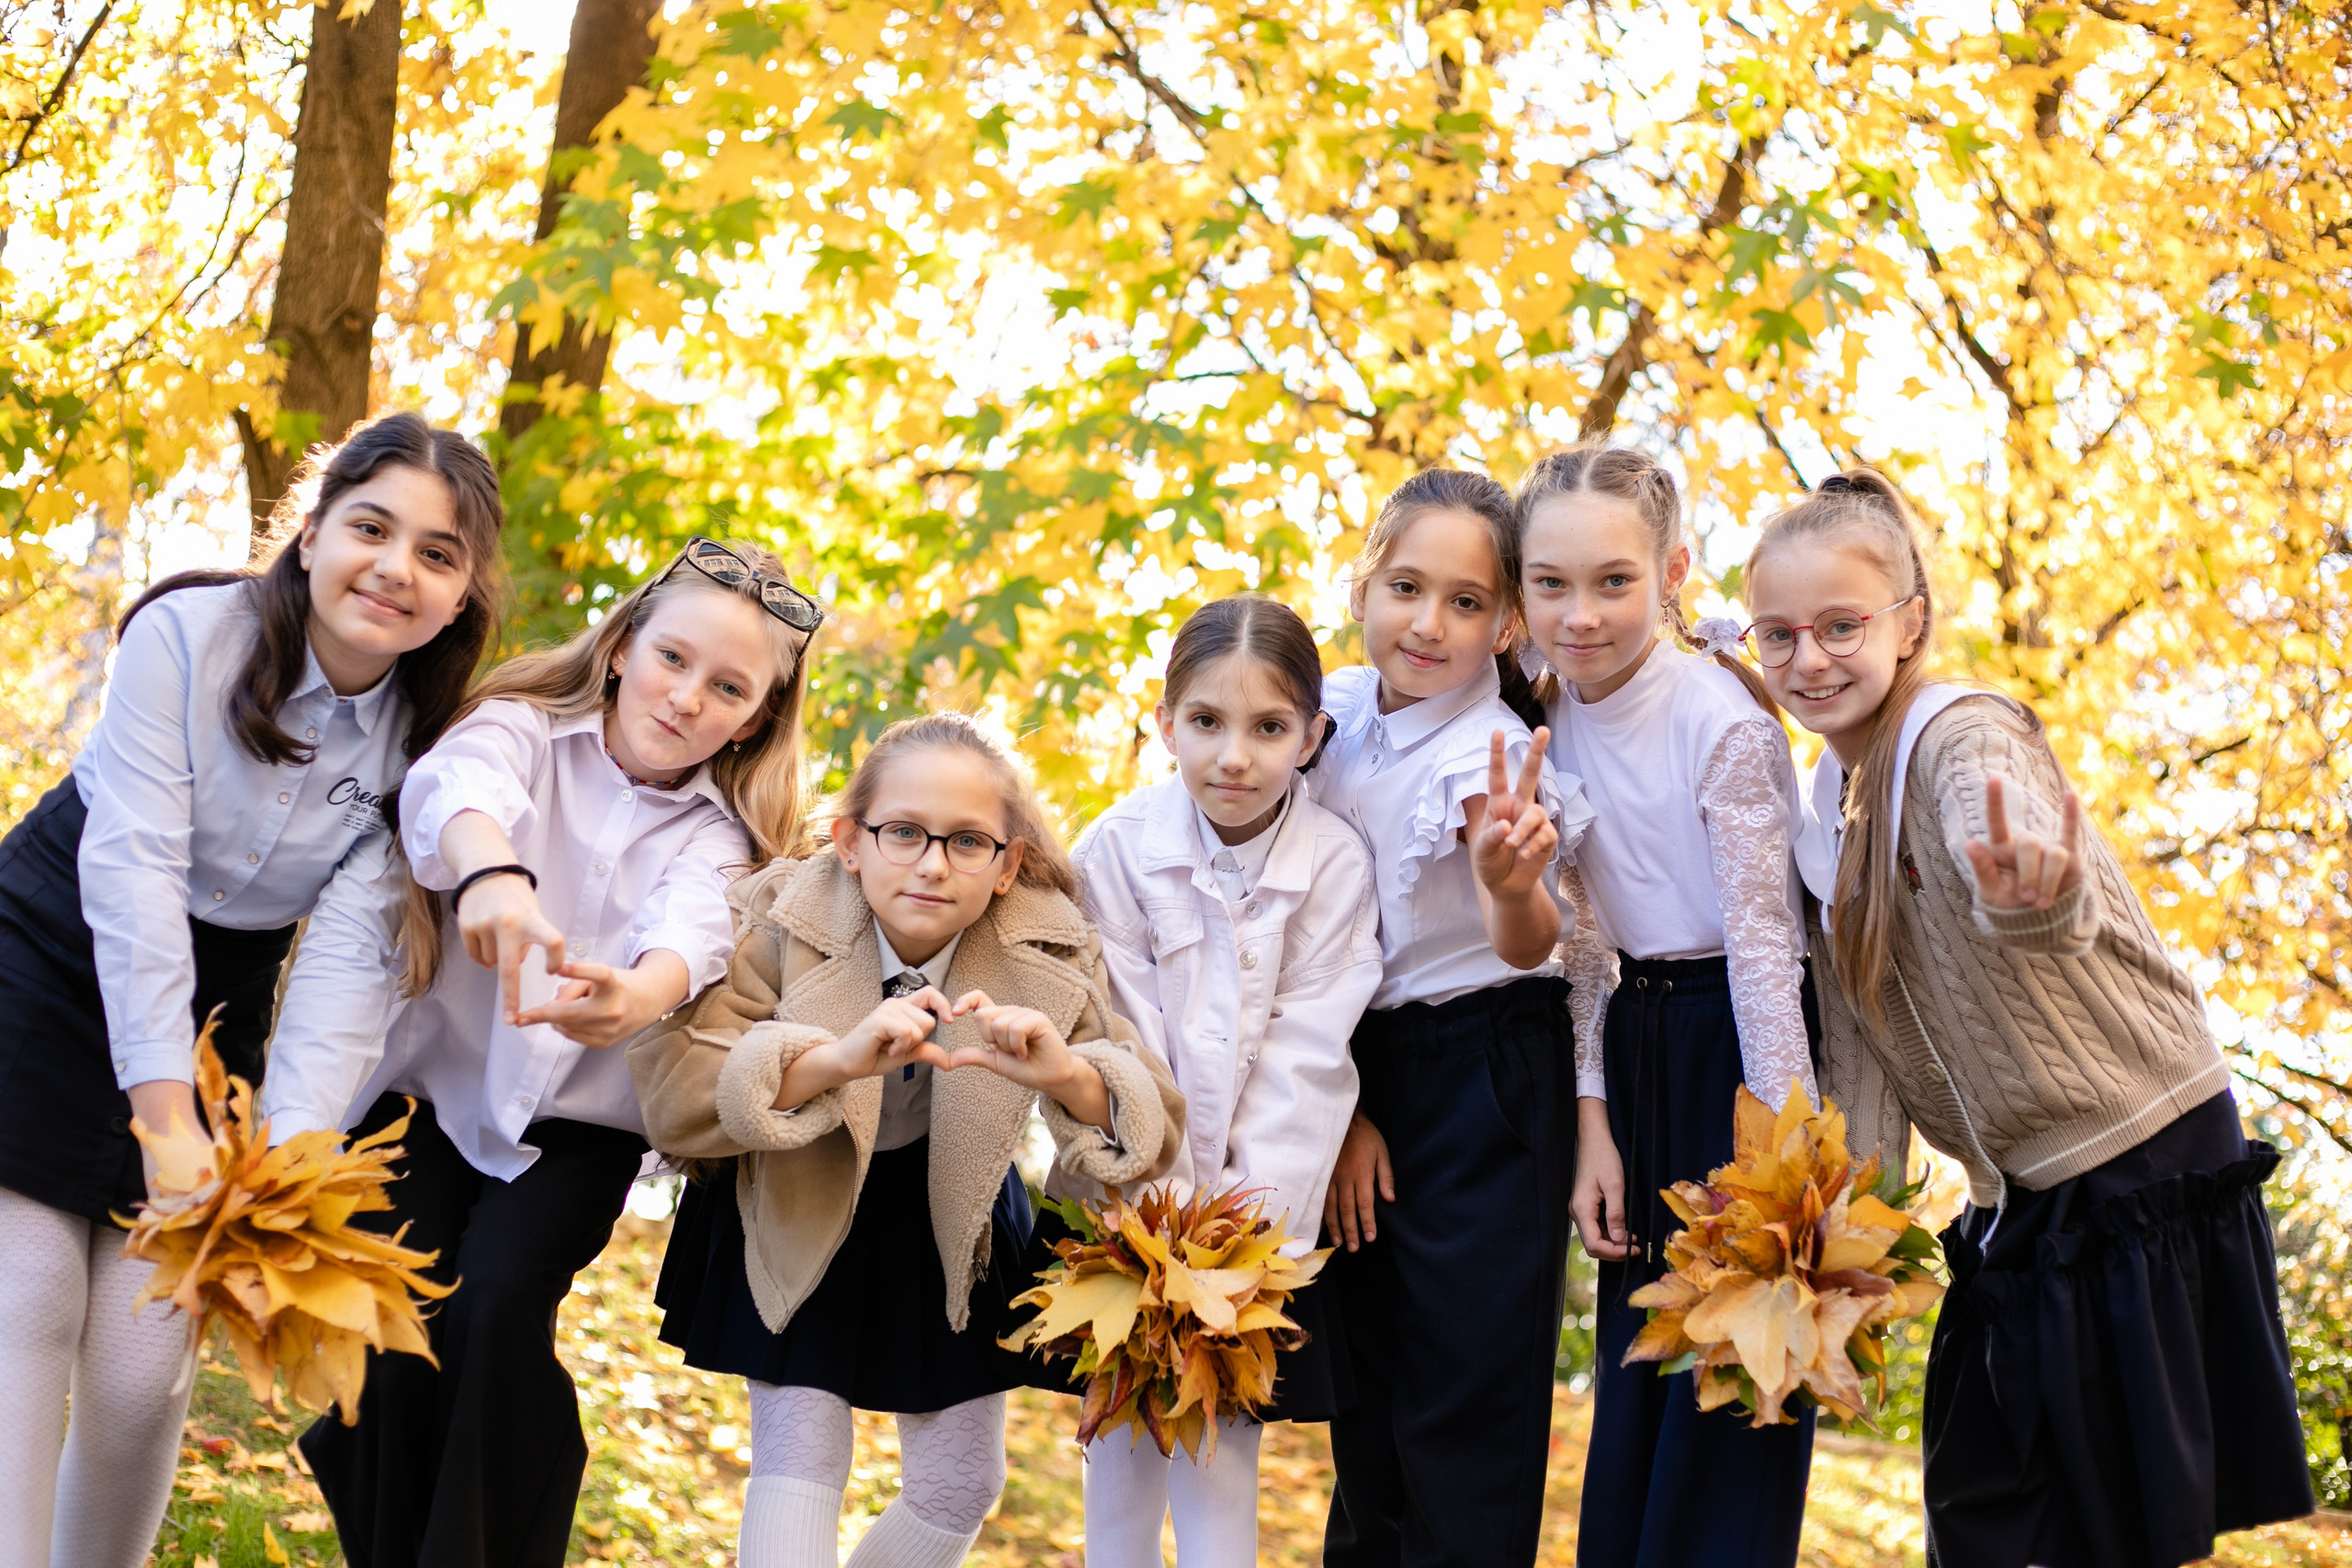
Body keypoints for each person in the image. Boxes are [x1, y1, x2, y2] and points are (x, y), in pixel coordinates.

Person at [1748, 468, 2312, 1568]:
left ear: (1908, 622)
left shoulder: (1964, 736)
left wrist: (2029, 896)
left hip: (2134, 1153)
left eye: (1839, 626)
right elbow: (1863, 1060)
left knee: (2109, 1521)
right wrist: (1838, 1245)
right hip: (2017, 1192)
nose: (1806, 659)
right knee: (1984, 1499)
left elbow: (2035, 893)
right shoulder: (1825, 819)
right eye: (1778, 636)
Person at [0, 412, 503, 1568]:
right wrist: (164, 1120)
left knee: (140, 1368)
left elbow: (343, 969)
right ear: (312, 531)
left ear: (466, 590)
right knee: (27, 1305)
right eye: (371, 527)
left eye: (438, 553)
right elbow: (132, 875)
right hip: (52, 950)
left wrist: (273, 1171)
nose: (396, 567)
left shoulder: (431, 748)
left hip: (224, 998)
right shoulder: (190, 634)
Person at [263, 536, 824, 1568]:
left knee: (495, 1303)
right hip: (431, 1096)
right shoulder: (519, 730)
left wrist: (641, 993)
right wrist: (493, 879)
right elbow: (454, 793)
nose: (688, 697)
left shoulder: (722, 835)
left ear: (755, 718)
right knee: (395, 1316)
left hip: (580, 1130)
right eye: (672, 660)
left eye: (729, 688)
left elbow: (694, 925)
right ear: (620, 649)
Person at [631, 711, 1183, 1568]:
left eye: (968, 842)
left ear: (1005, 866)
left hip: (947, 1214)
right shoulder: (781, 915)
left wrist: (1065, 1074)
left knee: (961, 1483)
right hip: (801, 1194)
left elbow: (1149, 1118)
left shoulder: (1048, 943)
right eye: (904, 832)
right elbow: (679, 1097)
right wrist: (834, 1060)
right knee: (803, 1455)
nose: (932, 862)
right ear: (851, 841)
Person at [1513, 445, 1817, 1568]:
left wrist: (1786, 1155)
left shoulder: (1718, 722)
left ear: (1673, 571)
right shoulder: (1548, 714)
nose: (1579, 614)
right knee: (1640, 1380)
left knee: (1731, 1375)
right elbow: (1585, 947)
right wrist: (1593, 1122)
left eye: (1612, 581)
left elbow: (1762, 950)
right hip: (1628, 1044)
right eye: (1550, 584)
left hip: (1734, 1053)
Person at [1311, 468, 1588, 1567]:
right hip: (1352, 1067)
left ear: (1506, 621)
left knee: (1460, 1417)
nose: (1428, 625)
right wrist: (1337, 1102)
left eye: (1466, 603)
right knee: (1365, 1413)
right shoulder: (1329, 712)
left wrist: (1513, 883)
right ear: (1363, 584)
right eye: (1405, 588)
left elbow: (1530, 942)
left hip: (1481, 1075)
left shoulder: (1488, 757)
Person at [1070, 596, 1383, 1566]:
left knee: (1220, 1458)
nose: (1233, 756)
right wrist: (1156, 1246)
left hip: (1253, 1236)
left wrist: (1231, 1259)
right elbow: (1126, 1048)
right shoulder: (1114, 853)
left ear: (1311, 735)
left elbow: (1307, 1068)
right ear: (1164, 722)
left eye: (1268, 727)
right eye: (1206, 723)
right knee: (1117, 1459)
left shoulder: (1333, 867)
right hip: (1123, 1219)